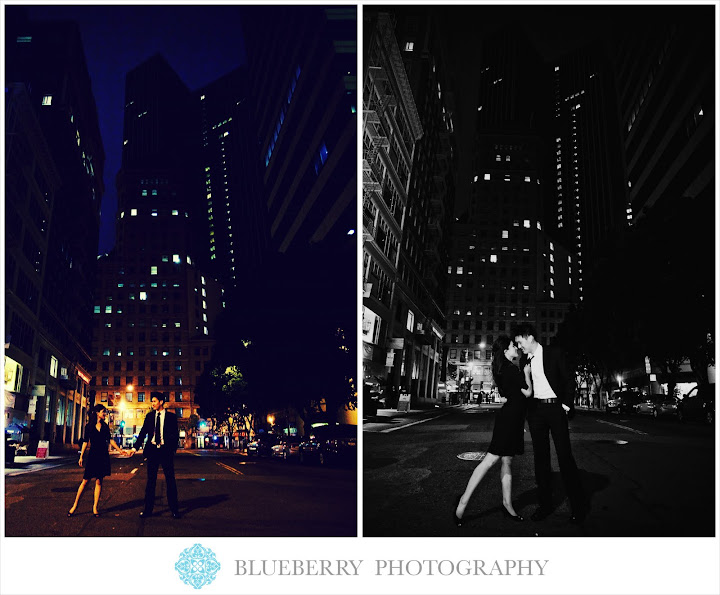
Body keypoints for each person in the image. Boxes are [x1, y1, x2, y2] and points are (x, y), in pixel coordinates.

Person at [454, 336, 533, 527]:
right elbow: (528, 392)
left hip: (511, 418)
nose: (517, 348)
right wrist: (527, 373)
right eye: (514, 346)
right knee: (490, 460)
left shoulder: (501, 368)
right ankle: (463, 502)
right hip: (510, 419)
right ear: (506, 350)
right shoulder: (511, 369)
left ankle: (507, 504)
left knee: (507, 460)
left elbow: (509, 394)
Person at [513, 322, 585, 523]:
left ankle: (578, 506)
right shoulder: (524, 361)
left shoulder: (554, 353)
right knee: (540, 459)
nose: (520, 347)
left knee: (564, 456)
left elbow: (569, 379)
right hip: (536, 412)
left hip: (556, 409)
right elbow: (526, 388)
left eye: (520, 343)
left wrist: (566, 406)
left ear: (529, 337)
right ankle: (545, 505)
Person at [68, 404, 125, 517]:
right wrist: (81, 456)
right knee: (85, 481)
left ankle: (95, 507)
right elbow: (85, 441)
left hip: (103, 455)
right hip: (93, 455)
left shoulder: (105, 426)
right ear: (98, 413)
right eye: (103, 412)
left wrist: (120, 450)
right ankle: (75, 506)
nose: (105, 414)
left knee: (99, 481)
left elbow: (110, 440)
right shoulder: (89, 426)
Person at [130, 391, 180, 518]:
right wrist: (135, 448)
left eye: (154, 401)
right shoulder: (150, 416)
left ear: (161, 402)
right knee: (151, 481)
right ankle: (148, 510)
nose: (152, 403)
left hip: (165, 451)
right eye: (152, 401)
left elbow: (175, 434)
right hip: (152, 451)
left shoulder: (171, 417)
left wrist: (172, 449)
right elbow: (142, 433)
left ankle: (174, 509)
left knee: (170, 480)